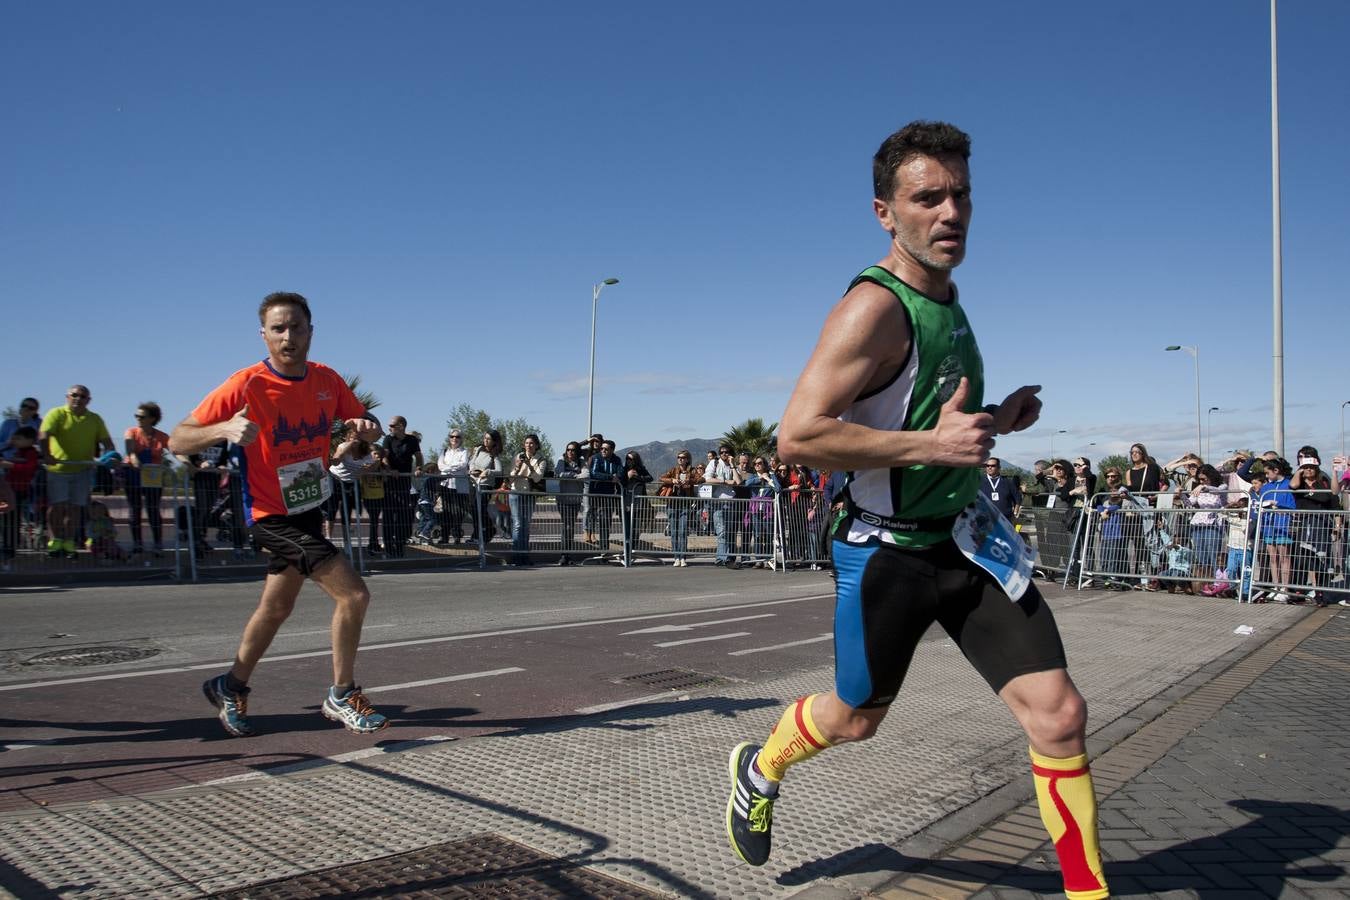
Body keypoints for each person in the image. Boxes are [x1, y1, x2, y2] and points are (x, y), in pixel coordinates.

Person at [723, 121, 1107, 900]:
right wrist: (933, 446)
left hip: (966, 545)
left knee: (1060, 716)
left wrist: (996, 420)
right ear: (883, 211)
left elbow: (927, 417)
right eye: (927, 198)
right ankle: (761, 765)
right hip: (886, 554)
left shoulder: (952, 301)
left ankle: (1089, 892)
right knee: (858, 719)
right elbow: (797, 438)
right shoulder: (874, 307)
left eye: (960, 195)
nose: (950, 213)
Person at [169, 291, 388, 736]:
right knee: (354, 594)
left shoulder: (327, 379)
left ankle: (230, 685)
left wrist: (368, 428)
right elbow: (177, 439)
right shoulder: (247, 384)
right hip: (270, 514)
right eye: (278, 329)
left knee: (276, 608)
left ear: (311, 331)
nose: (288, 337)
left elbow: (365, 427)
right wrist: (224, 428)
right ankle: (342, 695)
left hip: (308, 508)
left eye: (297, 327)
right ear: (264, 335)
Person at [39, 385, 115, 559]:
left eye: (82, 396)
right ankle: (55, 540)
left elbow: (108, 443)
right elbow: (44, 434)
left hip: (82, 470)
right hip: (58, 470)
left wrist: (109, 457)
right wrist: (47, 455)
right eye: (74, 395)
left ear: (88, 400)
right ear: (67, 397)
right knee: (57, 506)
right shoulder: (56, 414)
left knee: (75, 508)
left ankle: (69, 542)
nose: (78, 399)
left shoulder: (95, 419)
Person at [124, 402, 171, 556]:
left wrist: (187, 463)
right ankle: (137, 544)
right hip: (133, 474)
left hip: (153, 476)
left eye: (142, 416)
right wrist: (133, 457)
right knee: (135, 509)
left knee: (153, 509)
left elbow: (175, 449)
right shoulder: (131, 432)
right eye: (136, 416)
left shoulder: (161, 436)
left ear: (152, 418)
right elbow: (130, 449)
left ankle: (158, 543)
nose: (138, 419)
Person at [507, 434, 551, 565]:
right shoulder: (517, 457)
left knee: (525, 526)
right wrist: (517, 467)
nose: (529, 445)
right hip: (515, 492)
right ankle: (516, 556)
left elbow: (537, 478)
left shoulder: (541, 459)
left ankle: (524, 556)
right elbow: (510, 478)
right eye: (526, 443)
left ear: (536, 445)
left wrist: (529, 466)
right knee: (518, 525)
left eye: (531, 443)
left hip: (529, 494)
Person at [659, 450, 699, 566]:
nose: (680, 459)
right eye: (678, 457)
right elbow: (661, 478)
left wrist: (689, 481)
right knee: (674, 531)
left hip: (685, 504)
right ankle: (676, 557)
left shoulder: (692, 470)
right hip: (672, 504)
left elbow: (700, 479)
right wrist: (672, 480)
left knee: (682, 531)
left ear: (687, 459)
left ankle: (683, 557)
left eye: (683, 457)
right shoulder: (673, 470)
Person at [585, 439, 624, 555]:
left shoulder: (616, 460)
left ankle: (604, 550)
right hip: (596, 494)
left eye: (606, 449)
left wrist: (616, 477)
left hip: (609, 495)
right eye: (602, 448)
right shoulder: (597, 458)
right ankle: (591, 542)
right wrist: (610, 478)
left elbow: (620, 472)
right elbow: (594, 473)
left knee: (605, 522)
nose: (603, 451)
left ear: (612, 450)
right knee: (593, 519)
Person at [553, 441, 588, 565]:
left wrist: (575, 474)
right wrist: (576, 474)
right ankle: (564, 555)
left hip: (575, 499)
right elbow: (559, 474)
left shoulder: (581, 462)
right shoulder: (561, 460)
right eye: (568, 449)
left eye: (573, 450)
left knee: (570, 526)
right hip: (563, 499)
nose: (570, 452)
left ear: (577, 451)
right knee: (566, 526)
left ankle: (568, 555)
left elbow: (586, 474)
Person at [469, 429, 506, 544]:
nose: (485, 440)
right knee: (473, 510)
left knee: (479, 510)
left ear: (494, 441)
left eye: (488, 439)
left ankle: (480, 535)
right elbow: (472, 463)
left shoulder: (494, 456)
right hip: (474, 483)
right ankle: (486, 531)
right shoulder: (479, 450)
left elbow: (499, 471)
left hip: (485, 485)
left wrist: (488, 471)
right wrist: (472, 471)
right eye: (485, 438)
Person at [436, 429, 472, 544]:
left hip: (459, 487)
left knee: (458, 513)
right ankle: (444, 537)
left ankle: (457, 536)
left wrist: (448, 468)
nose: (454, 439)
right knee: (445, 512)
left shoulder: (464, 452)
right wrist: (449, 468)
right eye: (452, 437)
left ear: (461, 439)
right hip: (445, 485)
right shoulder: (444, 451)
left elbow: (463, 464)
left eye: (457, 437)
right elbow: (440, 465)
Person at [622, 449, 654, 547]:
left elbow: (650, 478)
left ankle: (633, 546)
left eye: (631, 459)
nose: (629, 461)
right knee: (627, 527)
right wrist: (627, 476)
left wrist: (638, 477)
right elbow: (619, 480)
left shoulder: (640, 469)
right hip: (626, 501)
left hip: (639, 502)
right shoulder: (623, 469)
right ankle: (627, 550)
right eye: (627, 459)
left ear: (636, 460)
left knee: (636, 527)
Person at [978, 456, 1021, 521]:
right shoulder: (979, 481)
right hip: (985, 520)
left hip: (1005, 520)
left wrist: (1015, 513)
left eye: (993, 466)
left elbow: (1017, 498)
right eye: (987, 465)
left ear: (999, 467)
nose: (990, 467)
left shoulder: (1008, 482)